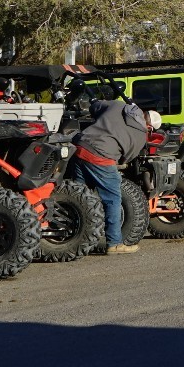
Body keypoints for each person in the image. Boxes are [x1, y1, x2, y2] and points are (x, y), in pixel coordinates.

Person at [73, 95, 151, 254]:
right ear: (149, 126)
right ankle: (114, 244)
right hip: (101, 158)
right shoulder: (140, 136)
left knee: (78, 195)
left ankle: (74, 238)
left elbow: (94, 107)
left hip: (80, 147)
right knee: (113, 199)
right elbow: (126, 157)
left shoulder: (119, 105)